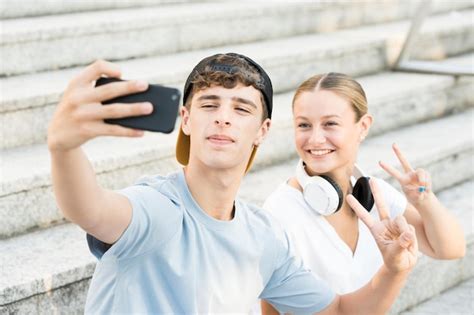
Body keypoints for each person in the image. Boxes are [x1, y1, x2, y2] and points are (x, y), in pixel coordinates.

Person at [48, 55, 418, 314]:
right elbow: (91, 209)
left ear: (263, 131)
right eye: (210, 105)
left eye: (241, 109)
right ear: (187, 120)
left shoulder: (264, 237)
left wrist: (394, 270)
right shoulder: (157, 208)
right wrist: (64, 148)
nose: (224, 118)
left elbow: (338, 312)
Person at [261, 72, 466, 313]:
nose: (315, 139)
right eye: (304, 125)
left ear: (363, 126)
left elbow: (450, 249)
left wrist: (424, 199)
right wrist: (394, 270)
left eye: (330, 124)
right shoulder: (280, 213)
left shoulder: (374, 194)